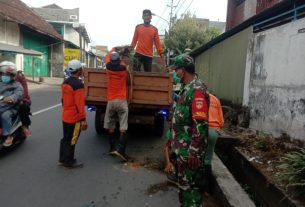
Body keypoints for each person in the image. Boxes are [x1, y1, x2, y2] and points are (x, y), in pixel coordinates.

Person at [170, 53, 209, 207]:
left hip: (190, 153)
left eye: (176, 69)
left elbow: (200, 123)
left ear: (183, 70)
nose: (174, 72)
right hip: (182, 151)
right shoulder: (185, 89)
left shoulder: (197, 90)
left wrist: (194, 151)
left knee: (191, 191)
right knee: (184, 189)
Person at [59, 59, 88, 169]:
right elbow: (79, 104)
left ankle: (62, 159)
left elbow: (62, 100)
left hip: (65, 115)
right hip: (74, 118)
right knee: (72, 139)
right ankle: (69, 161)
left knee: (65, 138)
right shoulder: (78, 85)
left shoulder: (65, 82)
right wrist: (83, 120)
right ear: (79, 70)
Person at [104, 52, 129, 162]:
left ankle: (111, 148)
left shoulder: (108, 69)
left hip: (111, 101)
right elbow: (124, 65)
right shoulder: (124, 70)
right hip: (121, 101)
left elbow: (108, 59)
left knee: (111, 125)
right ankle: (121, 150)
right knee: (123, 126)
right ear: (119, 60)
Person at [203, 93, 224, 194]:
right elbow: (222, 121)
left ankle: (200, 186)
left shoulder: (199, 97)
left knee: (198, 158)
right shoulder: (216, 99)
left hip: (203, 129)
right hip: (214, 131)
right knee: (208, 160)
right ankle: (208, 189)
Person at [0, 61, 24, 147]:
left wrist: (11, 98)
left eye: (6, 75)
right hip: (1, 106)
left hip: (11, 107)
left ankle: (8, 135)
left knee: (5, 116)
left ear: (12, 75)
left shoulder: (17, 85)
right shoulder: (0, 83)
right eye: (2, 74)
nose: (4, 76)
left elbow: (19, 94)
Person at [15, 70, 32, 137]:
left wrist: (21, 99)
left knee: (24, 106)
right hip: (5, 100)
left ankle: (25, 126)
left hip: (21, 99)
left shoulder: (19, 78)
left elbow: (24, 91)